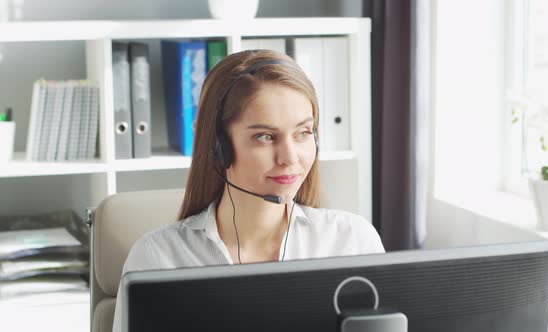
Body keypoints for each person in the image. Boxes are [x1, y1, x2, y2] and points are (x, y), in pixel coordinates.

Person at [111, 49, 384, 332]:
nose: (290, 157)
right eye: (265, 137)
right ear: (219, 148)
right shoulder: (158, 259)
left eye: (303, 133)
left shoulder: (352, 241)